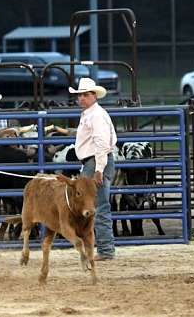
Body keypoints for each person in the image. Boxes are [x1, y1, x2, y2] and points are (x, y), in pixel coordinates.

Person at [70, 78, 117, 261]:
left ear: (94, 96)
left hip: (96, 163)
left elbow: (101, 144)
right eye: (80, 95)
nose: (82, 98)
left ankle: (105, 250)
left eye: (85, 95)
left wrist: (99, 169)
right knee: (93, 205)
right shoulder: (91, 114)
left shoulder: (95, 115)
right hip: (93, 162)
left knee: (98, 206)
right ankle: (102, 248)